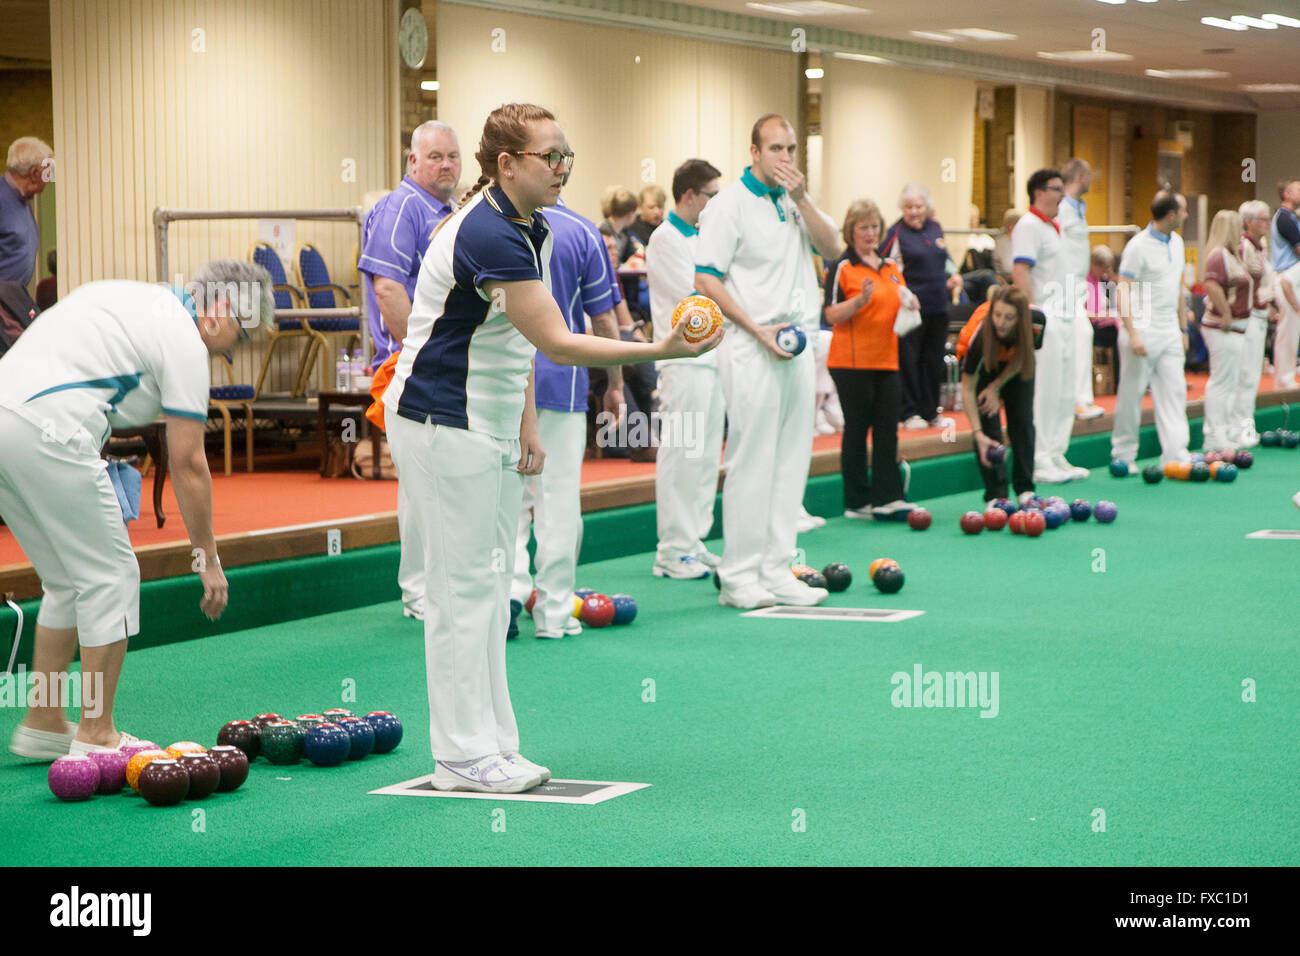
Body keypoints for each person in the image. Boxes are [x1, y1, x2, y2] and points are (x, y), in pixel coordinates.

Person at [382, 103, 721, 794]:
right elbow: (558, 340)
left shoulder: (528, 225)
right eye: (550, 156)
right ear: (506, 165)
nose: (564, 166)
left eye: (568, 154)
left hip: (491, 421)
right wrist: (659, 347)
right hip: (440, 420)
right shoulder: (486, 232)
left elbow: (513, 338)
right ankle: (459, 755)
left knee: (491, 577)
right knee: (461, 591)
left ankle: (494, 744)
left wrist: (527, 423)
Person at [0, 259, 273, 758]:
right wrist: (207, 559)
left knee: (66, 581)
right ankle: (97, 732)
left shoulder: (131, 298)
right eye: (241, 331)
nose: (236, 346)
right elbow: (189, 462)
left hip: (6, 422)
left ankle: (42, 720)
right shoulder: (183, 340)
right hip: (51, 430)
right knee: (112, 577)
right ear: (222, 308)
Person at [693, 112, 843, 610]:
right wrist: (756, 330)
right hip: (750, 343)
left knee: (790, 461)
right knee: (751, 462)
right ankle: (738, 576)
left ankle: (777, 570)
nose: (785, 159)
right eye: (775, 149)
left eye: (791, 149)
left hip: (798, 343)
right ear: (753, 153)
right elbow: (707, 280)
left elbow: (835, 248)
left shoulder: (795, 202)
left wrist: (802, 197)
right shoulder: (728, 206)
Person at [358, 120, 462, 622]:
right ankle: (420, 592)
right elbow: (387, 288)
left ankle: (428, 588)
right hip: (411, 364)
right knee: (423, 482)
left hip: (434, 364)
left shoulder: (444, 212)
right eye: (435, 156)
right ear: (412, 162)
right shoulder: (403, 207)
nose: (446, 165)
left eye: (453, 157)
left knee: (431, 479)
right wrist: (418, 352)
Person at [511, 200, 625, 638]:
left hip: (503, 384)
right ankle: (554, 612)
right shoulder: (582, 230)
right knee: (556, 500)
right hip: (563, 383)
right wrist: (614, 384)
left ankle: (509, 597)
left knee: (509, 501)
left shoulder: (488, 221)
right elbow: (603, 317)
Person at [646, 158, 725, 579]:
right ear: (689, 195)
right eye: (711, 196)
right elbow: (697, 297)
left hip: (713, 360)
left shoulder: (703, 237)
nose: (716, 203)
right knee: (682, 454)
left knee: (707, 455)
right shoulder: (665, 239)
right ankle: (672, 550)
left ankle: (693, 541)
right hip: (683, 362)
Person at [822, 198, 914, 520]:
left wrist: (911, 305)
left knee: (888, 428)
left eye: (875, 226)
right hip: (851, 363)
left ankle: (888, 497)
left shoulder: (890, 267)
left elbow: (901, 301)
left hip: (887, 359)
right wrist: (859, 301)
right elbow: (831, 313)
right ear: (851, 230)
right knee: (858, 429)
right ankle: (856, 501)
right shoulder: (842, 266)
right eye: (863, 227)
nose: (870, 233)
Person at [1012, 168, 1089, 483]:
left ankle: (1057, 452)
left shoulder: (1054, 226)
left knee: (1064, 389)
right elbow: (1021, 272)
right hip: (1046, 317)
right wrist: (1030, 317)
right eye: (1058, 189)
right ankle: (1040, 458)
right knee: (1045, 390)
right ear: (1040, 192)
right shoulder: (1028, 226)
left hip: (1067, 315)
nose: (1063, 194)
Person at [1110, 190, 1193, 472]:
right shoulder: (1137, 246)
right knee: (1131, 394)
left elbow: (1179, 289)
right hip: (1141, 329)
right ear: (1171, 215)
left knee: (1175, 390)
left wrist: (1183, 329)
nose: (1186, 215)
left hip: (1170, 329)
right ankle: (1123, 454)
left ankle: (1175, 453)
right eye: (1183, 211)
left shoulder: (1178, 243)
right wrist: (1132, 332)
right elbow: (1122, 290)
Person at [880, 184, 963, 430]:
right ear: (902, 209)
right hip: (911, 310)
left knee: (933, 360)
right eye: (909, 207)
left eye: (918, 207)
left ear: (927, 207)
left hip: (939, 306)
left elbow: (943, 257)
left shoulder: (935, 227)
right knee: (910, 361)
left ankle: (930, 411)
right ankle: (909, 412)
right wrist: (902, 294)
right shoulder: (895, 234)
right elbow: (887, 268)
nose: (914, 212)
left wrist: (954, 275)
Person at [959, 285, 1038, 505]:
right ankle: (996, 495)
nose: (1001, 322)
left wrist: (996, 386)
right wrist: (977, 433)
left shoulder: (1036, 323)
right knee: (988, 428)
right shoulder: (980, 333)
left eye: (1009, 317)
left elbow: (1024, 356)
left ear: (1020, 318)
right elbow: (967, 388)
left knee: (1022, 420)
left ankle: (1025, 490)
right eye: (997, 315)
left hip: (1016, 363)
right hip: (984, 364)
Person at [1200, 210, 1253, 452]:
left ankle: (1222, 432)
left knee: (1229, 383)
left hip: (1237, 329)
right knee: (1221, 382)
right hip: (1224, 329)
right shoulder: (1218, 255)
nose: (1242, 230)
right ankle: (1213, 435)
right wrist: (1226, 314)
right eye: (1238, 226)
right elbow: (1210, 284)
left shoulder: (1233, 254)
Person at [1057, 158, 1105, 421]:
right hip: (1063, 287)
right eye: (1088, 176)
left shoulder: (1078, 208)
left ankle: (1080, 400)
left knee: (1082, 336)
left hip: (1077, 286)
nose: (1091, 180)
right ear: (1079, 178)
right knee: (1081, 336)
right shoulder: (1062, 209)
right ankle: (1079, 401)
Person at [1233, 201, 1279, 447]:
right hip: (1248, 317)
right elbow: (1245, 284)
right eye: (1262, 219)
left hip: (1260, 315)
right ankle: (1240, 427)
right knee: (1246, 374)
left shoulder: (1261, 246)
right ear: (1248, 222)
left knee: (1252, 374)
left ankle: (1245, 423)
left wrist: (1269, 305)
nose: (1267, 223)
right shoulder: (1244, 247)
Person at [1, 137, 54, 286]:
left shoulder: (23, 199)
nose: (50, 178)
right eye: (49, 172)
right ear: (34, 173)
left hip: (13, 299)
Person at [1270, 179, 1300, 389]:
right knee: (1287, 330)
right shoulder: (1284, 218)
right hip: (1285, 277)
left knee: (1292, 329)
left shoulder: (1292, 217)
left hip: (1292, 277)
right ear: (1287, 194)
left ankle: (1286, 374)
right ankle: (1284, 378)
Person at [1086, 245, 1120, 392]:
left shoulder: (1104, 282)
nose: (1105, 272)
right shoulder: (1083, 281)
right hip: (1091, 326)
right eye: (1103, 268)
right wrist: (1101, 316)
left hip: (1105, 325)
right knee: (1119, 336)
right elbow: (1082, 313)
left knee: (1122, 335)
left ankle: (1120, 383)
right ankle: (1119, 383)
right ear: (1094, 264)